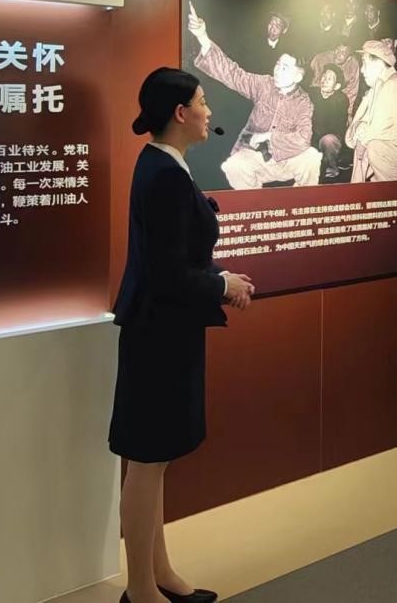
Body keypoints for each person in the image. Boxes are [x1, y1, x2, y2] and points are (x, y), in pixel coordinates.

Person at [110, 68, 254, 603]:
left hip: (163, 328)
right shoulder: (165, 174)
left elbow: (174, 258)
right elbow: (168, 274)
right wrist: (221, 284)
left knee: (155, 459)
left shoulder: (162, 165)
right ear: (180, 113)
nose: (209, 112)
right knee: (148, 460)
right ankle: (140, 589)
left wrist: (219, 277)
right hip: (159, 332)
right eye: (202, 101)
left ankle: (159, 573)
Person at [188, 4, 321, 189]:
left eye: (284, 68)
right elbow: (233, 74)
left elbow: (303, 138)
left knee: (312, 157)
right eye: (277, 64)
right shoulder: (264, 84)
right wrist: (202, 37)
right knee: (233, 166)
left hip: (286, 158)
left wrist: (269, 136)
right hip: (254, 155)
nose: (277, 70)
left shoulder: (304, 102)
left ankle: (302, 202)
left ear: (298, 77)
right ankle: (255, 202)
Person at [346, 39, 397, 182]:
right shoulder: (377, 87)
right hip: (386, 154)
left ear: (378, 63)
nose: (362, 70)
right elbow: (359, 122)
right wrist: (360, 129)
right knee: (367, 143)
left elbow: (396, 133)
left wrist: (364, 136)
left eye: (364, 63)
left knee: (374, 146)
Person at [309, 63, 350, 182]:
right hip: (311, 134)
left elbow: (336, 127)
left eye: (329, 79)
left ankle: (332, 167)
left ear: (337, 86)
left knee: (328, 140)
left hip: (330, 136)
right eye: (324, 76)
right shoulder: (312, 93)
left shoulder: (341, 99)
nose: (324, 80)